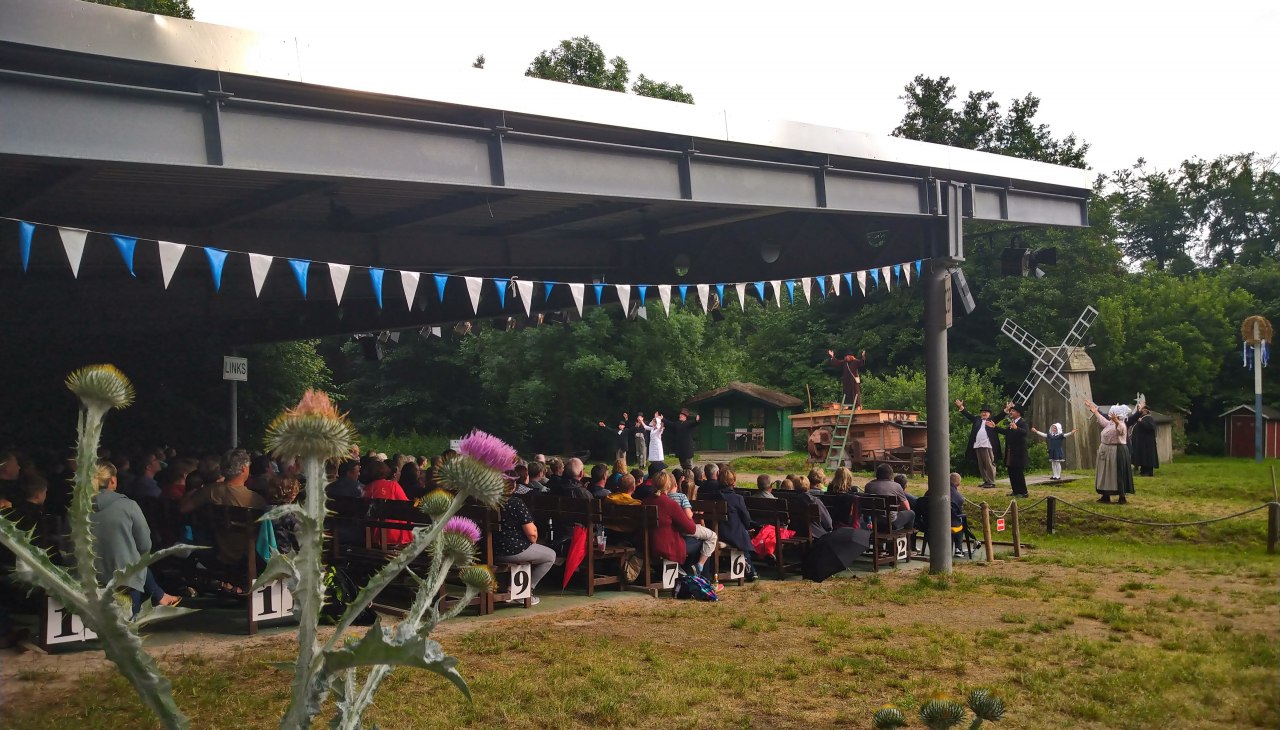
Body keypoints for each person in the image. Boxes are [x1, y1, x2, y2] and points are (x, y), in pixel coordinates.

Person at [90, 461, 180, 616]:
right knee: (136, 560)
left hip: (87, 574)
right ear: (112, 480)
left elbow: (67, 545)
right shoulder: (129, 506)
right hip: (124, 579)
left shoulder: (75, 509)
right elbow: (145, 545)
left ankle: (160, 595)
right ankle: (159, 596)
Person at [639, 472, 714, 579]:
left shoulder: (645, 501)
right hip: (667, 547)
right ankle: (700, 578)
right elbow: (690, 528)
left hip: (648, 544)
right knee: (701, 542)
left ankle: (686, 573)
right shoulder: (670, 504)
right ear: (668, 486)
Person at [492, 490, 556, 607]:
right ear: (513, 486)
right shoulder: (515, 502)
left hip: (490, 550)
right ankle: (523, 591)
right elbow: (532, 534)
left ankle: (512, 588)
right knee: (550, 555)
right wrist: (532, 542)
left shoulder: (487, 500)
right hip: (512, 550)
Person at [1085, 400, 1133, 504]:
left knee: (1117, 474)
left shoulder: (1122, 424)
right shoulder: (1110, 423)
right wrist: (1095, 411)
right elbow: (1103, 420)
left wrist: (1116, 421)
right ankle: (1105, 495)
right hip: (1106, 451)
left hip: (1116, 451)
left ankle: (1122, 497)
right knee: (1105, 474)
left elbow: (1121, 430)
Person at [360, 461, 414, 546]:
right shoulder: (393, 486)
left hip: (373, 535)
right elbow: (407, 505)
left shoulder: (366, 489)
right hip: (393, 533)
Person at [956, 400, 1002, 488]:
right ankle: (986, 480)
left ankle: (992, 481)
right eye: (983, 412)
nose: (984, 413)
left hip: (988, 445)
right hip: (978, 445)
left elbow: (1000, 416)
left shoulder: (992, 420)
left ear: (989, 414)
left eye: (986, 412)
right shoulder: (977, 419)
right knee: (982, 465)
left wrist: (1006, 410)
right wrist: (961, 407)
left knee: (989, 463)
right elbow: (968, 415)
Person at [863, 464, 916, 532]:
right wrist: (895, 507)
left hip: (876, 523)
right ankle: (907, 539)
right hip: (891, 523)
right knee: (911, 513)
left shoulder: (868, 485)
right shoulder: (896, 486)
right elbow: (907, 508)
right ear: (891, 475)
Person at [993, 403, 1030, 498]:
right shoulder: (1012, 422)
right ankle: (1016, 491)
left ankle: (1023, 492)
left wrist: (1017, 428)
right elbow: (1006, 432)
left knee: (1018, 473)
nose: (1011, 412)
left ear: (1018, 413)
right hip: (1011, 451)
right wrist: (994, 427)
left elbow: (1025, 433)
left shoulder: (1022, 422)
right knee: (1011, 471)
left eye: (1013, 411)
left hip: (1019, 453)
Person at [1127, 405, 1159, 477]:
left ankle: (1147, 471)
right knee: (1142, 457)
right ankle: (1142, 470)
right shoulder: (1141, 418)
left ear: (1146, 411)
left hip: (1147, 443)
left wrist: (1141, 422)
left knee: (1147, 457)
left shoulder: (1148, 418)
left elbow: (1150, 427)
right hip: (1142, 442)